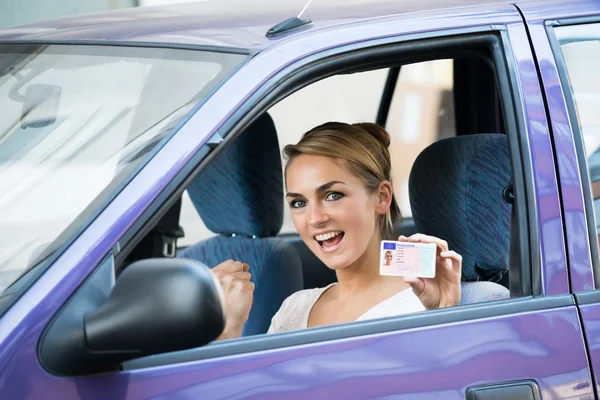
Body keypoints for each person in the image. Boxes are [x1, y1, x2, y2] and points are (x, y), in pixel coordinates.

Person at [213, 122, 462, 339]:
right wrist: (228, 326)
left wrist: (444, 313)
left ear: (382, 197)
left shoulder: (425, 304)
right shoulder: (295, 307)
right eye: (299, 203)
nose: (315, 219)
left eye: (333, 195)